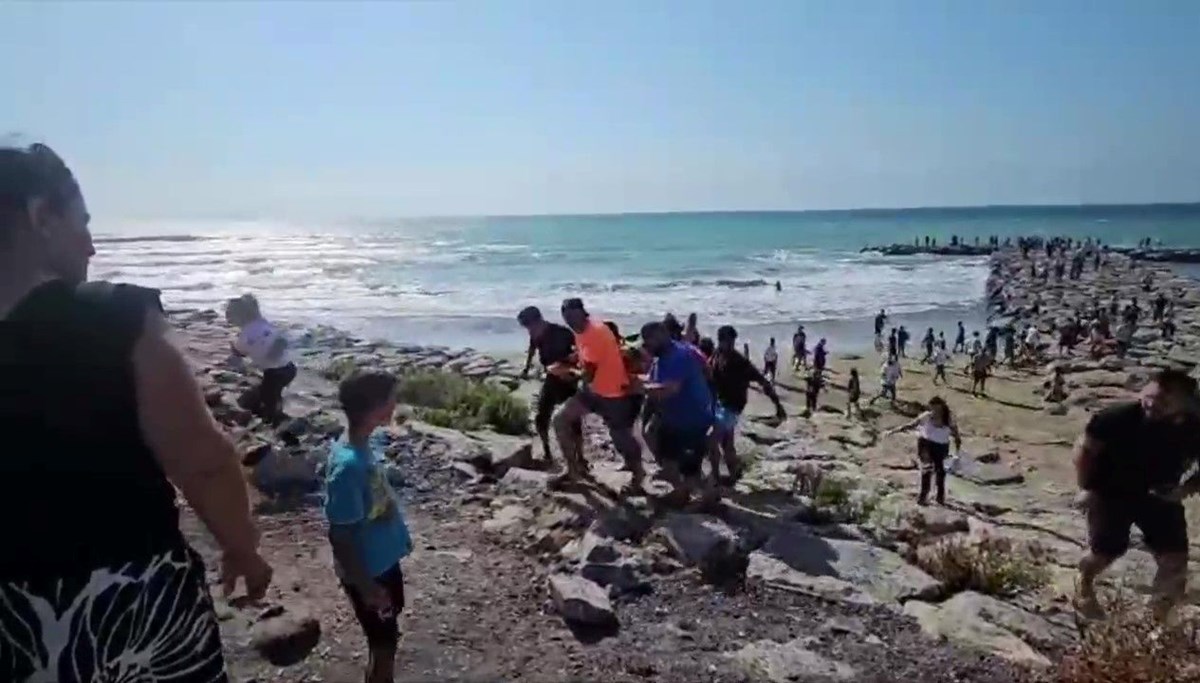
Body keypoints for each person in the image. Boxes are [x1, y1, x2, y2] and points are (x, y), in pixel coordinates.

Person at [0, 143, 270, 680]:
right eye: (83, 222)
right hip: (127, 603)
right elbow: (202, 458)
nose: (93, 246)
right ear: (40, 217)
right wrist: (242, 547)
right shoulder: (111, 317)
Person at [1073, 370, 1200, 622]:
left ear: (1184, 403)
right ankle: (1083, 583)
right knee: (1105, 553)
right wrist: (1087, 488)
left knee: (1175, 562)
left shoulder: (1194, 427)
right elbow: (1084, 452)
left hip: (1161, 496)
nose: (1152, 405)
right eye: (1149, 397)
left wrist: (1185, 489)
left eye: (1164, 401)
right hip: (1111, 492)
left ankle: (1155, 623)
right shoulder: (1115, 417)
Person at [326, 372, 414, 683]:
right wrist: (366, 587)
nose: (395, 404)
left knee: (385, 640)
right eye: (391, 398)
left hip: (382, 564)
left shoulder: (359, 445)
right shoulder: (348, 467)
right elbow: (340, 535)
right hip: (370, 573)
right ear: (378, 408)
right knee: (383, 646)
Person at [554, 298, 644, 491]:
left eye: (572, 316)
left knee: (621, 437)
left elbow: (588, 375)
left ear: (582, 312)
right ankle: (573, 470)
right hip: (591, 392)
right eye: (566, 317)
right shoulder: (581, 331)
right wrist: (571, 359)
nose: (570, 321)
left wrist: (566, 372)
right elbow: (586, 359)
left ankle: (638, 474)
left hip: (612, 393)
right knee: (560, 419)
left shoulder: (594, 332)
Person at [642, 322, 716, 506]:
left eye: (649, 341)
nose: (646, 346)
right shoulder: (663, 358)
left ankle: (709, 499)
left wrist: (641, 388)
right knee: (668, 457)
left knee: (690, 469)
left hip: (691, 420)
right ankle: (681, 492)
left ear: (661, 336)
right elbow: (652, 380)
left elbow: (670, 389)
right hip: (673, 419)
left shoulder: (679, 356)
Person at [710, 326, 786, 483]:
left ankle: (716, 478)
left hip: (732, 405)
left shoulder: (739, 362)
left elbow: (763, 381)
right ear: (720, 340)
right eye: (726, 341)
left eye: (732, 342)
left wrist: (778, 405)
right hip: (719, 403)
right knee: (726, 442)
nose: (730, 345)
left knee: (712, 440)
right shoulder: (717, 354)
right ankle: (734, 472)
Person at [518, 306, 579, 464]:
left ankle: (580, 456)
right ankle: (547, 452)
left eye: (529, 327)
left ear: (538, 321)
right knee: (541, 417)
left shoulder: (562, 333)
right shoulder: (535, 333)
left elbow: (579, 354)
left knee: (572, 420)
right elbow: (532, 349)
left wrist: (567, 365)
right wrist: (526, 368)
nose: (529, 331)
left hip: (567, 378)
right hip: (551, 378)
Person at [225, 293, 296, 424]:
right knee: (271, 390)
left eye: (230, 317)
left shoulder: (245, 335)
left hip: (274, 372)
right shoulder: (265, 324)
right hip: (290, 367)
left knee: (268, 395)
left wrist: (233, 347)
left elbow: (240, 352)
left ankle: (275, 418)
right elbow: (281, 337)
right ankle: (276, 403)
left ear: (239, 318)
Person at [887, 398, 961, 506]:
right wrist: (894, 430)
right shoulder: (926, 416)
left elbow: (957, 437)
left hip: (941, 447)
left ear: (942, 408)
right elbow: (912, 424)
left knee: (940, 471)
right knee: (927, 468)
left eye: (936, 409)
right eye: (932, 408)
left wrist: (957, 452)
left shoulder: (949, 420)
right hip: (926, 444)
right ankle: (922, 497)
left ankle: (940, 498)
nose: (934, 412)